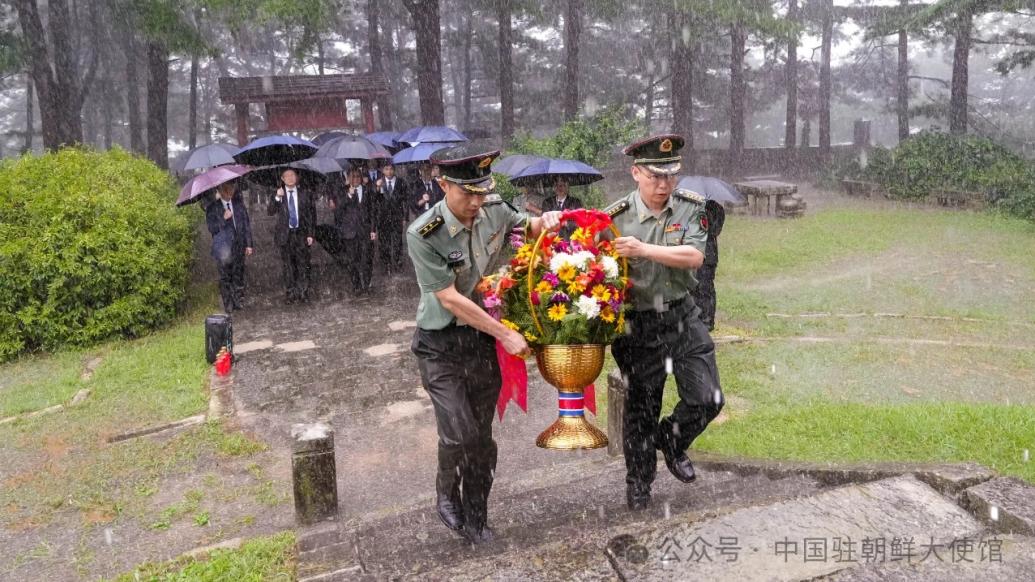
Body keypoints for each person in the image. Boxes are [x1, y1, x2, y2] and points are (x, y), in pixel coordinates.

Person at [407, 145, 562, 544]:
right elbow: (451, 299)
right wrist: (506, 334)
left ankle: (477, 517)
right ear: (442, 184)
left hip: (478, 341)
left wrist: (544, 221)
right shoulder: (424, 233)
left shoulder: (492, 209)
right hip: (439, 344)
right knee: (458, 433)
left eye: (482, 191)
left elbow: (524, 227)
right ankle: (446, 489)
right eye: (466, 193)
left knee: (481, 436)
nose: (476, 202)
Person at [604, 134, 725, 511]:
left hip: (681, 313)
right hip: (637, 323)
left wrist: (643, 249)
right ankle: (639, 482)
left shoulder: (692, 208)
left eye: (671, 176)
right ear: (635, 172)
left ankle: (671, 440)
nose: (664, 185)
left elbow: (694, 257)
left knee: (708, 397)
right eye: (655, 176)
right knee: (642, 407)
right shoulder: (614, 218)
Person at [268, 168, 317, 304]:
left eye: (292, 175)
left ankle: (303, 292)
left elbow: (311, 215)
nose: (290, 178)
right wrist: (277, 197)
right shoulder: (279, 194)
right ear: (282, 179)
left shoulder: (305, 194)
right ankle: (291, 293)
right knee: (288, 266)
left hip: (300, 234)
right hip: (286, 235)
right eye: (287, 176)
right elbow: (270, 211)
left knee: (303, 264)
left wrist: (310, 234)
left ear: (296, 177)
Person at [205, 181, 253, 313]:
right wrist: (223, 218)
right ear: (219, 191)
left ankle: (237, 300)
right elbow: (212, 228)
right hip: (223, 248)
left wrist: (249, 244)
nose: (229, 192)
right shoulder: (212, 208)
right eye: (225, 189)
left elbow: (246, 225)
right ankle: (228, 303)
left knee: (238, 274)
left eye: (231, 189)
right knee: (225, 276)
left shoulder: (239, 205)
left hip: (239, 244)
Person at [332, 167, 378, 293]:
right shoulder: (342, 191)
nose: (356, 179)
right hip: (349, 233)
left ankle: (367, 285)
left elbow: (373, 211)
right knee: (352, 261)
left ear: (362, 178)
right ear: (348, 178)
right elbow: (338, 211)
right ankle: (356, 285)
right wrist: (349, 195)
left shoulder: (368, 191)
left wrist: (373, 229)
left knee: (366, 259)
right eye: (353, 176)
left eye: (358, 176)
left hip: (365, 231)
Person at [690, 200, 726, 331]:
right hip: (694, 252)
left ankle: (707, 321)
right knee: (693, 288)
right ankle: (696, 318)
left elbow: (715, 229)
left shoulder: (715, 207)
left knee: (705, 288)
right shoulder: (689, 207)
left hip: (708, 253)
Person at [373, 162, 409, 274]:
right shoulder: (379, 182)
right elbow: (374, 200)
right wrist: (377, 188)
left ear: (394, 170)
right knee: (384, 242)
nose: (389, 171)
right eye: (386, 169)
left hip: (397, 216)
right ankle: (386, 264)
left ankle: (398, 262)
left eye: (391, 169)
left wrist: (405, 217)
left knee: (398, 241)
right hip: (383, 218)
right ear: (383, 171)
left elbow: (405, 200)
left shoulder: (401, 182)